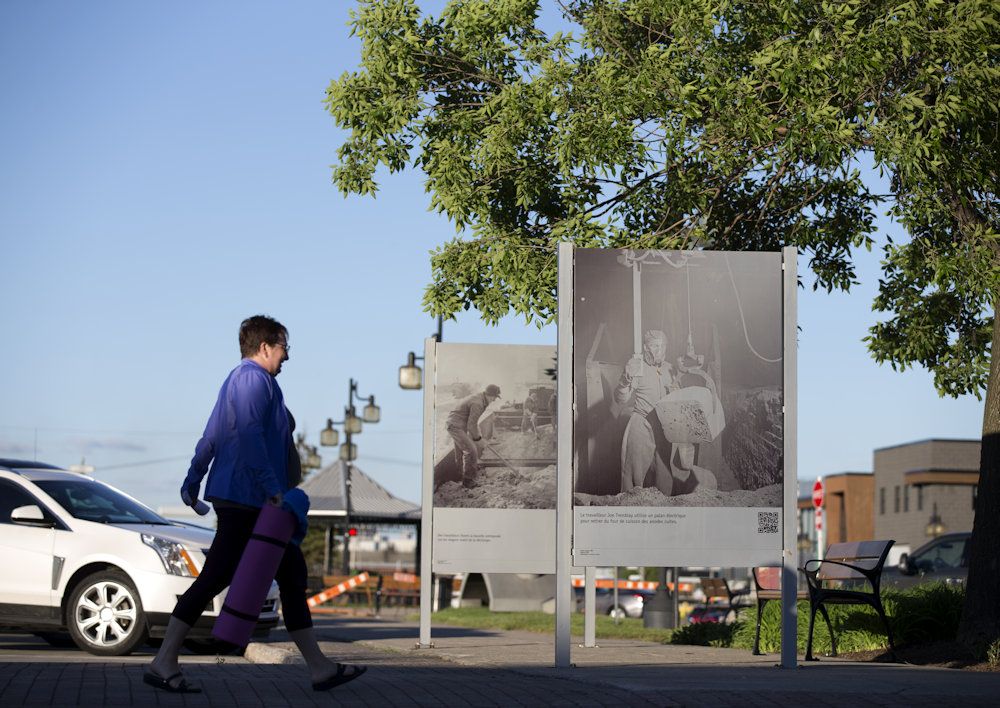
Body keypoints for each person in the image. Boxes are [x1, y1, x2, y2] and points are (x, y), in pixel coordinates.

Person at [145, 315, 366, 694]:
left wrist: (193, 477)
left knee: (291, 574)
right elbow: (246, 436)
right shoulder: (252, 380)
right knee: (217, 577)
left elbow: (212, 435)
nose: (287, 356)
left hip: (246, 497)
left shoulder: (244, 381)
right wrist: (271, 489)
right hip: (248, 498)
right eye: (284, 347)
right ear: (265, 346)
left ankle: (319, 668)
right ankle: (163, 661)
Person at [615, 330, 678, 495]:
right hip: (641, 425)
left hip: (664, 427)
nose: (660, 349)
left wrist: (680, 380)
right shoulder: (638, 367)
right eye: (655, 345)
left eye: (663, 345)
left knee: (664, 475)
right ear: (645, 347)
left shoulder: (669, 368)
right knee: (633, 476)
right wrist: (625, 379)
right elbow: (621, 399)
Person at [446, 384, 501, 488]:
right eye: (494, 397)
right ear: (489, 395)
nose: (494, 400)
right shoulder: (478, 403)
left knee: (460, 451)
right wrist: (478, 439)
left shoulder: (481, 398)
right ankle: (468, 480)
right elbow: (471, 425)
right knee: (471, 451)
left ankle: (459, 476)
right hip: (456, 426)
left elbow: (474, 422)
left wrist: (479, 436)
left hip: (457, 424)